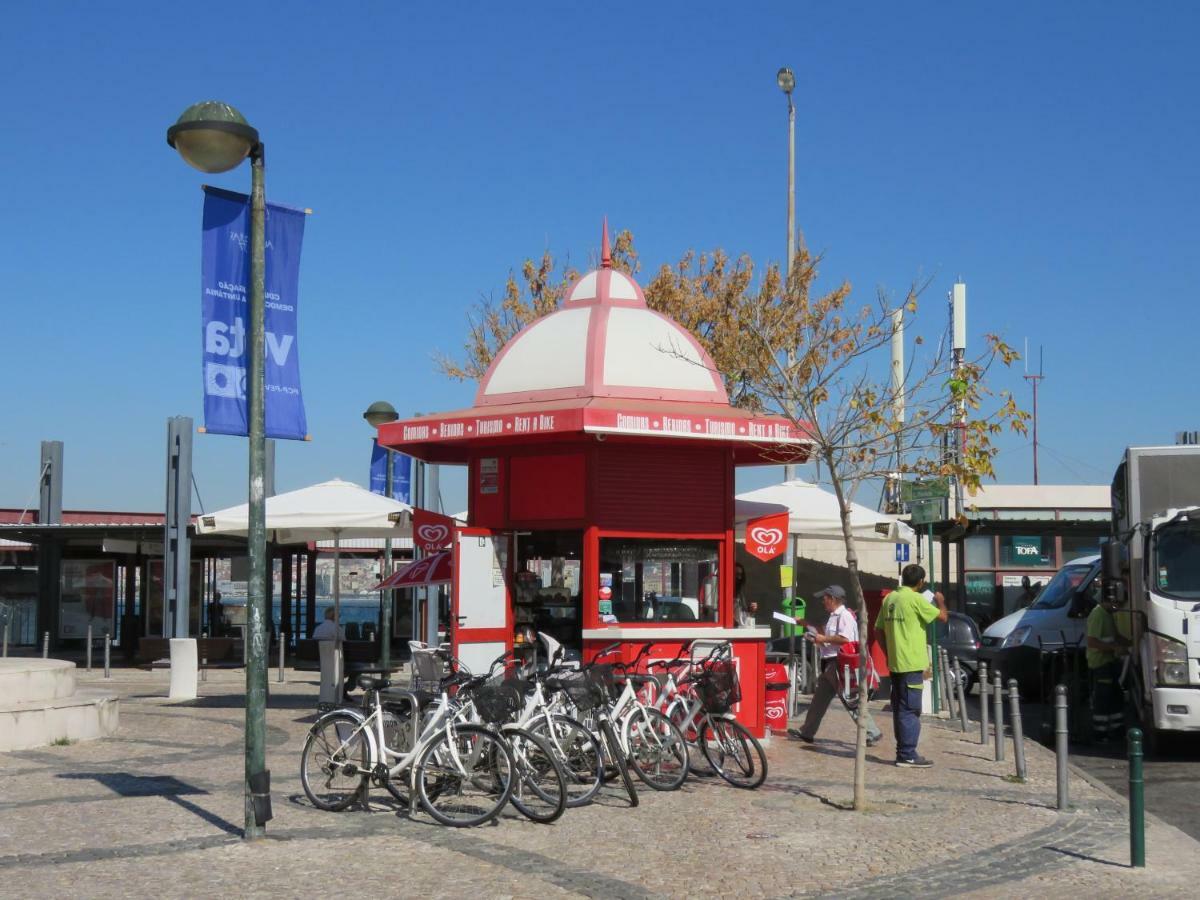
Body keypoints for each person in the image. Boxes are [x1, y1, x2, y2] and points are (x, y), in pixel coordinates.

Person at [788, 586, 882, 747]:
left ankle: (872, 731)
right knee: (819, 700)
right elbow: (825, 633)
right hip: (828, 663)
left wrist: (822, 638)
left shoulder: (844, 616)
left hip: (838, 663)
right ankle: (807, 731)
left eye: (824, 598)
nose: (822, 601)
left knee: (849, 699)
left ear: (832, 598)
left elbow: (845, 639)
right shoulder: (834, 616)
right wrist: (807, 627)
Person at [880, 563, 948, 768]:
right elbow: (943, 617)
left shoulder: (889, 599)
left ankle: (903, 752)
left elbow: (877, 630)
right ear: (921, 582)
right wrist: (940, 601)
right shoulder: (916, 599)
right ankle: (907, 754)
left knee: (900, 709)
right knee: (910, 709)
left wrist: (889, 652)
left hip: (895, 663)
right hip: (912, 664)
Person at [1086, 581, 1129, 743]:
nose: (1118, 606)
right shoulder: (1097, 615)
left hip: (1110, 663)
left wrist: (1129, 643)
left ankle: (1116, 730)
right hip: (1100, 664)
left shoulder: (1108, 615)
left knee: (1115, 697)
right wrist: (1114, 648)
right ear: (1109, 600)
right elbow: (1092, 642)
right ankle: (1100, 732)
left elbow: (1116, 636)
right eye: (1116, 603)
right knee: (1103, 700)